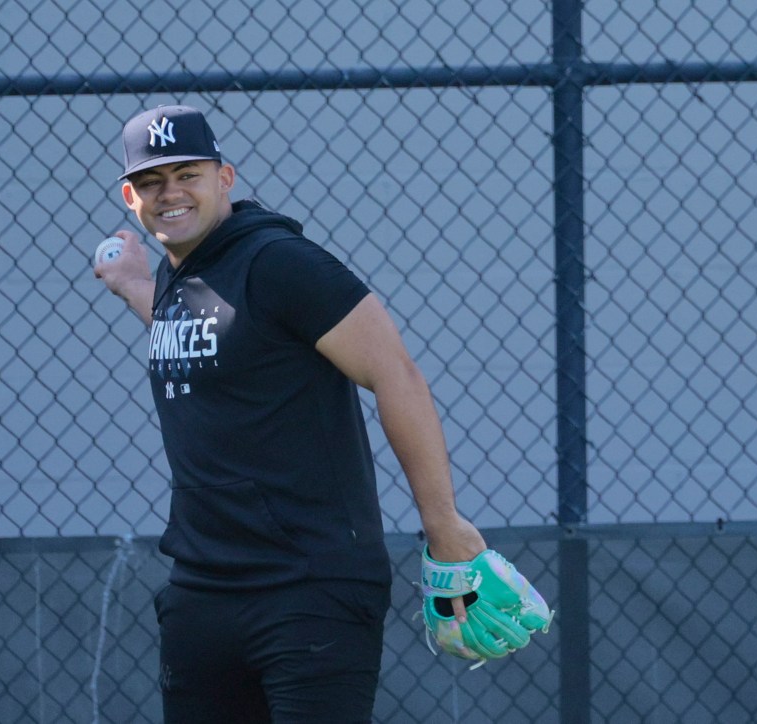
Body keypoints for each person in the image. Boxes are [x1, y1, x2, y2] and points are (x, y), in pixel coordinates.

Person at [95, 104, 487, 723]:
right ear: (130, 196)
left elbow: (396, 374)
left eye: (188, 174)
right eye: (152, 182)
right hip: (203, 588)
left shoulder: (280, 263)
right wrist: (134, 287)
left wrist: (445, 526)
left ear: (225, 178)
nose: (170, 193)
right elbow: (215, 339)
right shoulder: (183, 274)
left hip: (310, 587)